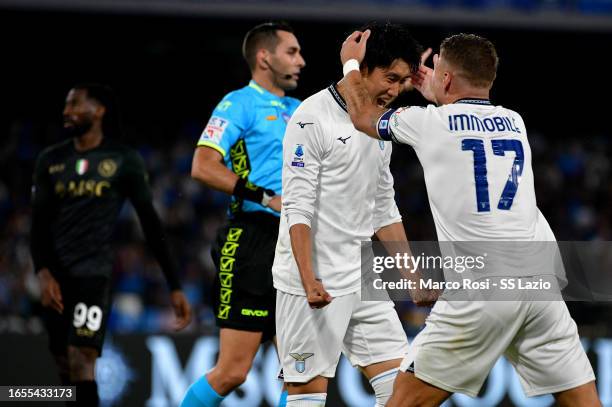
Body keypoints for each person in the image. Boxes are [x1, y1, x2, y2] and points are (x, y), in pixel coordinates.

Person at [339, 31, 602, 406]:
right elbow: (466, 119)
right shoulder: (515, 122)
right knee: (583, 402)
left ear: (445, 78)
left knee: (403, 401)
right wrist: (442, 93)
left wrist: (350, 62)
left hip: (483, 287)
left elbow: (363, 115)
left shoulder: (429, 122)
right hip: (541, 284)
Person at [273, 22, 433, 407]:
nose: (395, 91)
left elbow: (382, 205)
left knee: (400, 392)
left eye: (401, 81)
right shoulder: (312, 118)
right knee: (306, 398)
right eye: (389, 78)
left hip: (363, 276)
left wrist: (411, 276)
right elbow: (298, 205)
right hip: (314, 282)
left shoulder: (377, 125)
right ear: (360, 69)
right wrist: (308, 278)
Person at [30, 83, 192, 407]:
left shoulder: (123, 160)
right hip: (55, 278)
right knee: (65, 368)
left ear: (99, 110)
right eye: (65, 105)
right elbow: (38, 226)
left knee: (81, 358)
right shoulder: (50, 161)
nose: (67, 111)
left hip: (93, 275)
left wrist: (174, 285)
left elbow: (151, 224)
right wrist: (43, 272)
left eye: (75, 104)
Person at [181, 21, 305, 407]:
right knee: (233, 370)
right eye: (292, 52)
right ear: (264, 57)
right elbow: (203, 164)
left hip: (297, 243)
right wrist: (266, 197)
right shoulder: (239, 103)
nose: (301, 61)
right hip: (252, 239)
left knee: (301, 375)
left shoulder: (301, 110)